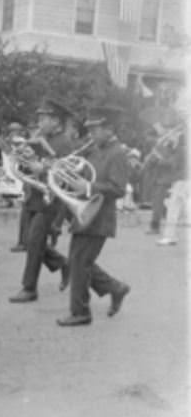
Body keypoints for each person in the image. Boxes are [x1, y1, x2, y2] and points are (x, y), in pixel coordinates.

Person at [56, 105, 131, 327]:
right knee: (79, 261)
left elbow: (118, 188)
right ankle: (115, 288)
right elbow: (85, 174)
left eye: (96, 129)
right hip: (85, 213)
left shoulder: (117, 153)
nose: (91, 134)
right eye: (90, 129)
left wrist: (87, 186)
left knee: (79, 263)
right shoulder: (95, 149)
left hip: (99, 217)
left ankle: (80, 313)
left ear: (109, 129)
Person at [8, 100, 73, 304]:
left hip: (52, 200)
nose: (39, 122)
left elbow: (65, 173)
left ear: (56, 121)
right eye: (39, 118)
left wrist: (42, 169)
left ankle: (29, 288)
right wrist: (24, 161)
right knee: (31, 240)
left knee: (34, 241)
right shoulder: (41, 139)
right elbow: (31, 165)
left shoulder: (64, 142)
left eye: (44, 118)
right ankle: (63, 264)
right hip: (37, 196)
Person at [156, 115, 186, 246]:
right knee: (175, 208)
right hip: (182, 180)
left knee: (174, 209)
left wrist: (164, 154)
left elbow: (175, 163)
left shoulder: (182, 148)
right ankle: (170, 236)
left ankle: (170, 236)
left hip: (182, 180)